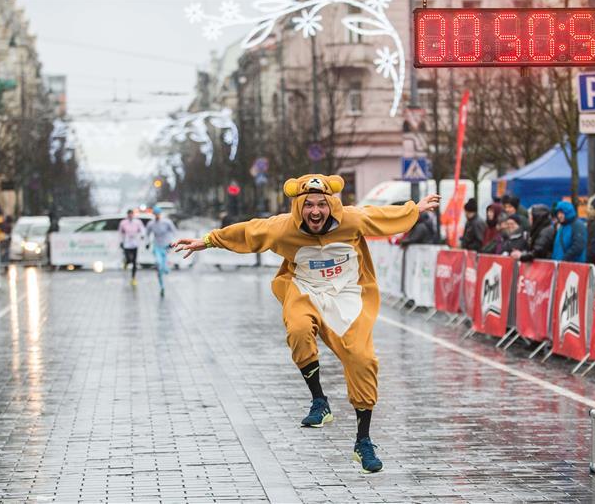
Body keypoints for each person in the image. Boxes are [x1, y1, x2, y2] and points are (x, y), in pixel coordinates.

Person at [172, 174, 440, 474]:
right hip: (306, 289)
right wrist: (207, 240)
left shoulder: (351, 220)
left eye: (322, 205)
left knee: (363, 360)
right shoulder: (282, 227)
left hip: (347, 295)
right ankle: (319, 400)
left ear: (332, 205)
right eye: (308, 204)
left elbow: (383, 216)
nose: (315, 211)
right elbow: (248, 232)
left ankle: (363, 441)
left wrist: (414, 208)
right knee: (298, 328)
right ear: (299, 206)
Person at [146, 206, 178, 295]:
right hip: (157, 247)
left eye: (158, 214)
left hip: (166, 246)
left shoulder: (167, 222)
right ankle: (162, 286)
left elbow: (174, 232)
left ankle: (165, 269)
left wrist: (173, 242)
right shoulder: (151, 224)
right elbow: (147, 234)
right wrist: (147, 243)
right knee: (159, 264)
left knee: (164, 268)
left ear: (160, 214)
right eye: (155, 214)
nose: (157, 216)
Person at [118, 209, 145, 286]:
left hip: (135, 244)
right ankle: (126, 262)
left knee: (134, 262)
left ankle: (133, 278)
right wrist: (121, 242)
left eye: (131, 214)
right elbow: (120, 233)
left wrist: (142, 235)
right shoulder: (123, 223)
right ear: (127, 215)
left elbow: (142, 229)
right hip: (127, 244)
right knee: (129, 259)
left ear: (133, 215)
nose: (130, 215)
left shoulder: (137, 222)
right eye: (129, 214)